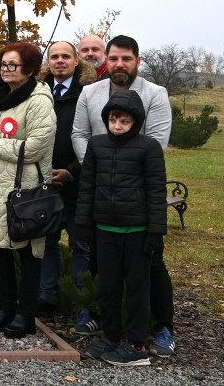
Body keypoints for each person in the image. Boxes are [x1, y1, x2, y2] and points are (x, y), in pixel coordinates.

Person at [71, 35, 176, 357]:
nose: (119, 64)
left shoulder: (154, 94)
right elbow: (80, 133)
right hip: (104, 203)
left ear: (136, 61)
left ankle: (161, 328)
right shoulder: (90, 93)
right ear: (106, 59)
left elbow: (157, 139)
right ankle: (108, 327)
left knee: (148, 273)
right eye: (114, 58)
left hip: (138, 204)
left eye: (126, 59)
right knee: (107, 277)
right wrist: (100, 162)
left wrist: (121, 162)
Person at [77, 90, 167, 366]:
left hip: (137, 232)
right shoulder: (97, 145)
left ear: (135, 122)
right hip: (105, 230)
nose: (117, 126)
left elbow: (155, 190)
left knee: (138, 289)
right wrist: (83, 223)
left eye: (124, 121)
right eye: (113, 120)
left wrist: (155, 231)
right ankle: (111, 335)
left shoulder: (148, 147)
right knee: (109, 287)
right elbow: (88, 186)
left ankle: (137, 343)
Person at [0, 41, 56, 339]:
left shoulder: (38, 101)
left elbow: (35, 147)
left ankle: (26, 314)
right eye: (3, 65)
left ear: (31, 69)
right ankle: (5, 307)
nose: (6, 69)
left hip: (25, 188)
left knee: (27, 253)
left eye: (13, 65)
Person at [36, 41, 94, 312]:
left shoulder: (87, 93)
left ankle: (78, 300)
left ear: (76, 61)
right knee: (47, 242)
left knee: (79, 243)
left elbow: (93, 138)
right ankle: (48, 295)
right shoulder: (39, 91)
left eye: (65, 57)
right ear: (49, 61)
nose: (59, 61)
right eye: (54, 56)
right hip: (44, 181)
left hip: (77, 182)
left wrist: (72, 171)